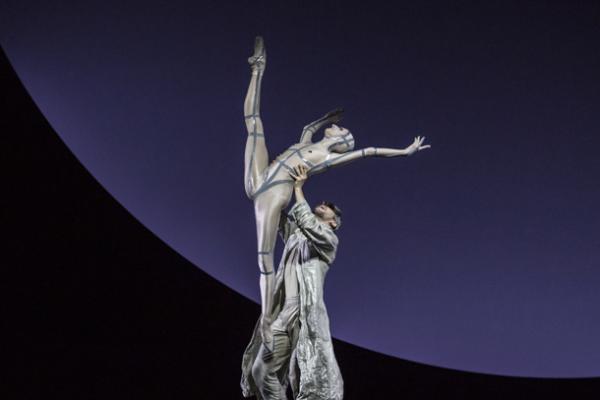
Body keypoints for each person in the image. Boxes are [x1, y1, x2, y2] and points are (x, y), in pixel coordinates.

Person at [243, 35, 431, 350]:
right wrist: (324, 120)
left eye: (342, 129)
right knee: (253, 123)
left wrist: (404, 151)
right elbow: (307, 128)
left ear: (342, 141)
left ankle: (266, 318)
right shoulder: (309, 143)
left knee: (265, 257)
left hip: (275, 192)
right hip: (259, 177)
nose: (339, 127)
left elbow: (369, 152)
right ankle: (258, 68)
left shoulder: (328, 157)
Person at [241, 164, 344, 400]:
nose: (324, 204)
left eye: (329, 207)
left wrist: (299, 188)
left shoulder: (329, 241)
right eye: (324, 203)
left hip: (302, 315)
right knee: (260, 371)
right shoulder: (297, 236)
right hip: (284, 313)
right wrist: (273, 188)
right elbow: (279, 218)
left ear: (333, 223)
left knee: (303, 376)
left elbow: (306, 222)